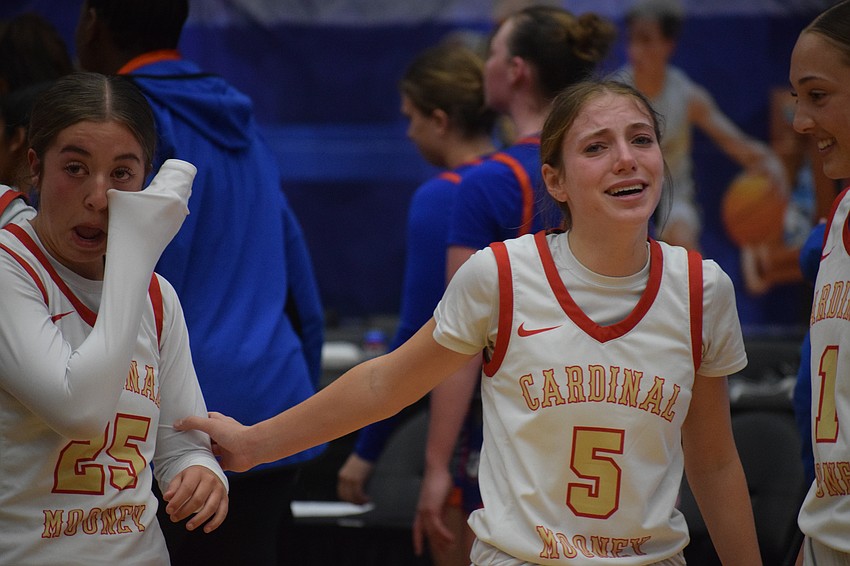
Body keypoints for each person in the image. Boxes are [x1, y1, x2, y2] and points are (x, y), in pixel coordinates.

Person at [177, 79, 762, 565]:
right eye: (597, 147)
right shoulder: (502, 275)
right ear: (555, 180)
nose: (627, 159)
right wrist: (255, 444)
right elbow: (386, 384)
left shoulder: (702, 288)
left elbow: (713, 459)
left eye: (641, 140)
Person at [75, 2, 325, 564]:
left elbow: (135, 282)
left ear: (93, 19)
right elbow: (299, 281)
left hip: (174, 427)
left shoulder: (119, 126)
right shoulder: (246, 126)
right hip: (271, 408)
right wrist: (295, 407)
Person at [413, 6, 618, 557]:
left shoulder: (484, 185)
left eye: (495, 52)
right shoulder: (621, 179)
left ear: (518, 70)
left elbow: (452, 346)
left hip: (504, 438)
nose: (487, 65)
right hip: (605, 433)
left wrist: (436, 468)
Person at [0, 71, 227, 565]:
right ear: (35, 168)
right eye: (76, 168)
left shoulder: (157, 296)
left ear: (145, 182)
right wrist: (135, 255)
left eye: (122, 174)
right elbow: (79, 411)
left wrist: (201, 473)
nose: (99, 198)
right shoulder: (8, 269)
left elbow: (181, 443)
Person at [334, 40, 497, 565]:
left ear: (441, 120)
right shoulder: (527, 178)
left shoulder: (445, 194)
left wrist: (366, 452)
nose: (408, 132)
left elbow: (416, 336)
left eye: (412, 118)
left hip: (471, 435)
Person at [615, 0, 788, 251]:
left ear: (668, 45)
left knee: (684, 243)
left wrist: (770, 161)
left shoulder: (686, 95)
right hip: (626, 193)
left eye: (646, 40)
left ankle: (693, 287)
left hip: (673, 198)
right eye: (631, 40)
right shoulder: (613, 95)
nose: (635, 51)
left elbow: (738, 145)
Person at [789, 2, 850, 562]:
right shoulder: (838, 218)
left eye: (818, 95)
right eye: (796, 99)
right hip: (826, 534)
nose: (800, 122)